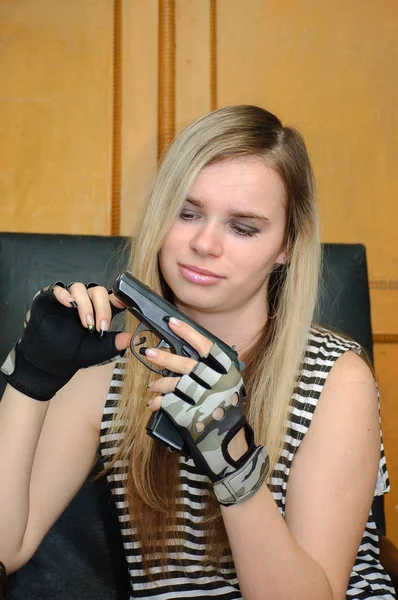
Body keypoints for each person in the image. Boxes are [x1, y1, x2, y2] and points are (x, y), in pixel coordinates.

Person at [0, 105, 395, 600]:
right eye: (186, 213)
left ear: (286, 246)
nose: (205, 243)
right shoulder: (111, 373)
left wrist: (234, 467)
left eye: (243, 227)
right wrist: (30, 379)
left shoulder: (337, 378)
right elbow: (6, 546)